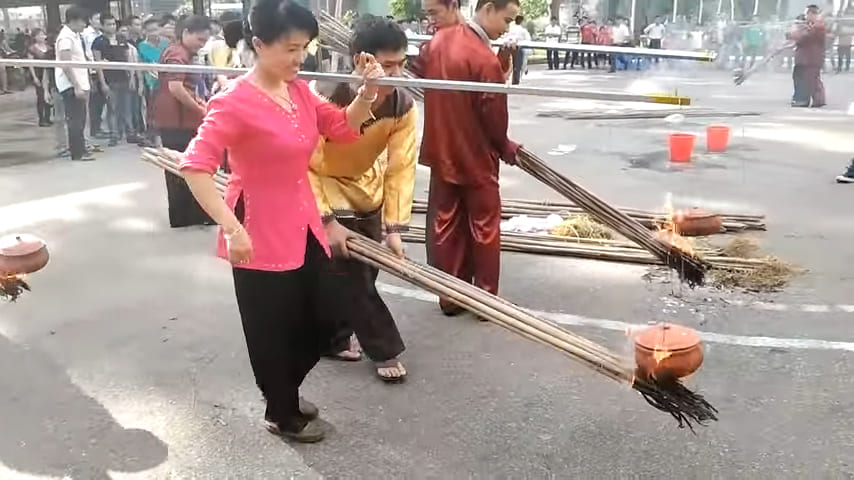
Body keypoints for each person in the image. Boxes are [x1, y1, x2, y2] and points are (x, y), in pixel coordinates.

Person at [180, 0, 382, 442]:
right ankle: (281, 410)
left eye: (304, 48)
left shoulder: (301, 92)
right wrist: (233, 231)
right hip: (255, 226)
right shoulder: (232, 102)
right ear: (258, 44)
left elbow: (343, 128)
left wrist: (367, 92)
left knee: (328, 311)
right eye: (290, 48)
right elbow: (195, 167)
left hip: (304, 218)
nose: (300, 58)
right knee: (271, 326)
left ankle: (283, 389)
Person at [308, 15, 415, 381]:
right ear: (361, 61)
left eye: (402, 64)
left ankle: (333, 338)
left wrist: (394, 227)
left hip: (367, 187)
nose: (397, 75)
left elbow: (402, 166)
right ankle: (384, 347)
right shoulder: (325, 96)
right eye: (387, 66)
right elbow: (304, 164)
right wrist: (326, 220)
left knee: (358, 272)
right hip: (325, 183)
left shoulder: (402, 103)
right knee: (355, 276)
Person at [419, 0, 521, 316]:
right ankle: (485, 298)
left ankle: (450, 295)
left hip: (442, 150)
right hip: (475, 155)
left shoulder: (436, 43)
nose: (507, 27)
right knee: (484, 225)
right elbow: (494, 118)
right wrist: (505, 146)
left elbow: (421, 75)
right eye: (507, 19)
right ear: (488, 9)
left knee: (444, 223)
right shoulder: (483, 59)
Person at [153, 15, 213, 228]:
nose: (202, 45)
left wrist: (200, 103)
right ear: (185, 32)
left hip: (180, 118)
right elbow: (175, 88)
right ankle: (185, 216)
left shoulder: (182, 52)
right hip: (176, 121)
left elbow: (185, 87)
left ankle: (187, 215)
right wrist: (200, 109)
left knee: (183, 167)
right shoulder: (178, 53)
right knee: (182, 166)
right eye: (199, 39)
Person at [92, 14, 139, 146]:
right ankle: (114, 134)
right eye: (108, 24)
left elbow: (127, 59)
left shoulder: (122, 39)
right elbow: (98, 65)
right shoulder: (98, 42)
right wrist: (103, 83)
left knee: (127, 108)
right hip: (109, 80)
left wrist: (131, 77)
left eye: (113, 24)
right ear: (102, 25)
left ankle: (130, 133)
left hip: (124, 78)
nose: (112, 27)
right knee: (112, 109)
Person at [55, 5, 94, 161]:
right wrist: (76, 85)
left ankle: (81, 149)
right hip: (71, 85)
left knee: (81, 119)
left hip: (80, 83)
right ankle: (77, 153)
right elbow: (66, 65)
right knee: (75, 120)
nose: (85, 25)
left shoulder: (75, 35)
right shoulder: (65, 37)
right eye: (83, 22)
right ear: (73, 20)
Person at [789, 5, 826, 107]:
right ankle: (811, 100)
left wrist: (798, 33)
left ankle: (806, 100)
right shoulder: (812, 25)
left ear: (811, 14)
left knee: (809, 80)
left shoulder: (818, 26)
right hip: (805, 58)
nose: (805, 16)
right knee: (805, 78)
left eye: (806, 14)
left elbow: (806, 37)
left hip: (810, 58)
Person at [28, 28, 53, 126]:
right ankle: (41, 119)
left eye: (43, 34)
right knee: (41, 96)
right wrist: (34, 77)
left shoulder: (49, 48)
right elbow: (30, 64)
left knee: (49, 95)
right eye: (38, 35)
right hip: (38, 74)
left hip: (48, 74)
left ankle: (48, 117)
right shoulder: (32, 49)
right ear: (34, 37)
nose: (41, 37)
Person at [507, 15, 530, 84]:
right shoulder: (523, 30)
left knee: (512, 63)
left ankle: (512, 78)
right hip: (519, 48)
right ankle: (517, 79)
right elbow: (527, 39)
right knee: (518, 64)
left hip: (511, 47)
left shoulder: (511, 29)